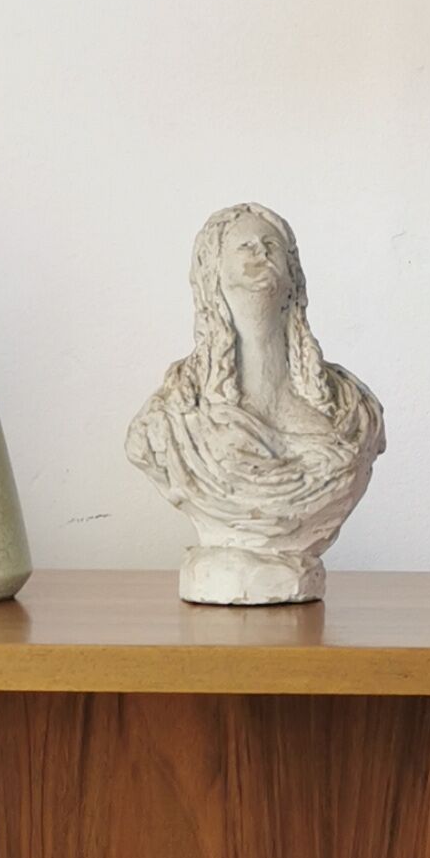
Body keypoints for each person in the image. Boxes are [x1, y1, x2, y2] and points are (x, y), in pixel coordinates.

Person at [126, 205, 384, 602]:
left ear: (293, 272)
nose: (260, 254)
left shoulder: (353, 410)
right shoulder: (172, 417)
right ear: (212, 270)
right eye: (244, 246)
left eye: (270, 245)